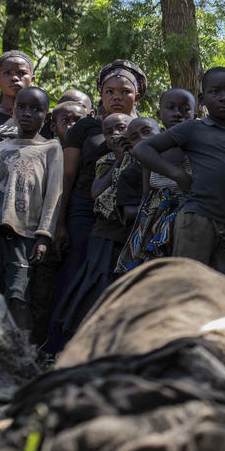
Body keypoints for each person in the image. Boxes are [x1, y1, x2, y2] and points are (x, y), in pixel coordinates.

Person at [49, 59, 146, 350]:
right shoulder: (86, 128)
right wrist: (60, 223)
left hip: (127, 215)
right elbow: (68, 175)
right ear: (101, 94)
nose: (117, 97)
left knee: (115, 279)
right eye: (109, 91)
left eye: (124, 91)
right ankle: (60, 346)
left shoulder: (146, 127)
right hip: (83, 210)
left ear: (137, 94)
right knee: (76, 272)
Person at [134, 68, 225, 277]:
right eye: (215, 92)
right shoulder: (193, 128)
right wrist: (178, 175)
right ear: (202, 99)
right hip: (196, 218)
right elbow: (142, 149)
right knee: (186, 285)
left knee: (223, 293)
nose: (224, 98)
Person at [0, 86, 62, 329]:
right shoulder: (1, 147)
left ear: (46, 115)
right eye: (21, 107)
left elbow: (54, 194)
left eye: (36, 109)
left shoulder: (51, 148)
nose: (27, 113)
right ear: (13, 110)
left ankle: (24, 360)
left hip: (25, 234)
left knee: (18, 298)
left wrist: (44, 236)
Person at [51, 112, 134, 343]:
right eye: (108, 132)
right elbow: (96, 191)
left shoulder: (146, 156)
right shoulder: (105, 161)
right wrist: (118, 159)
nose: (115, 135)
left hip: (133, 234)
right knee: (96, 286)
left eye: (121, 128)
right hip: (105, 232)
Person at [116, 88, 196, 273]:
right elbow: (146, 193)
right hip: (154, 220)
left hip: (188, 215)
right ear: (159, 114)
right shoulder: (149, 150)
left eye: (185, 109)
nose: (178, 113)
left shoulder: (200, 145)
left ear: (195, 113)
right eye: (171, 108)